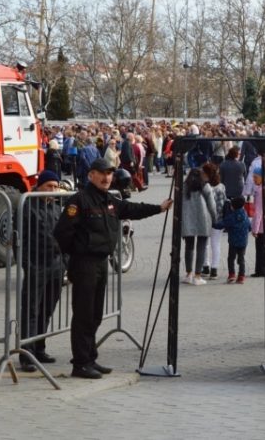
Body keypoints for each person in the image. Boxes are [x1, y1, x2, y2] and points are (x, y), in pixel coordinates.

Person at [54, 158, 172, 379]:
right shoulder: (79, 200)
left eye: (109, 173)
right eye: (102, 173)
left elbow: (131, 209)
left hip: (100, 263)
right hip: (85, 263)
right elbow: (62, 233)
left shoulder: (109, 200)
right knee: (83, 315)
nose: (106, 177)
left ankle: (90, 357)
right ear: (91, 175)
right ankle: (80, 364)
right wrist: (77, 254)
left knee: (96, 314)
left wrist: (159, 208)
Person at [18, 170, 65, 372]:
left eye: (55, 187)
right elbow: (20, 240)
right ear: (39, 187)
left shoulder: (56, 208)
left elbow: (65, 237)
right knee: (31, 311)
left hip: (55, 267)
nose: (53, 190)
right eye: (49, 186)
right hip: (36, 266)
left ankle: (39, 348)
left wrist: (65, 264)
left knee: (47, 309)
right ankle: (26, 354)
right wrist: (27, 264)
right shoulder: (27, 207)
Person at [181, 167, 217, 285]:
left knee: (189, 247)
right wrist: (215, 217)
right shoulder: (205, 187)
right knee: (201, 247)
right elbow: (211, 205)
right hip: (203, 219)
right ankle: (197, 276)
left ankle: (189, 274)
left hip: (187, 220)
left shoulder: (184, 187)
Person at [214, 196, 251, 284]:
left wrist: (212, 224)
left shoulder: (231, 216)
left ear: (233, 207)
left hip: (233, 241)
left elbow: (221, 225)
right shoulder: (245, 214)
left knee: (231, 258)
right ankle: (241, 276)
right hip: (243, 241)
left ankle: (232, 275)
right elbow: (249, 227)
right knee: (241, 258)